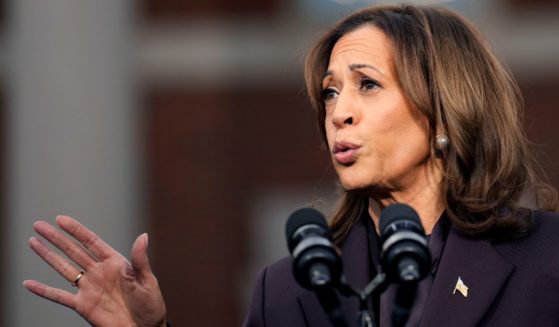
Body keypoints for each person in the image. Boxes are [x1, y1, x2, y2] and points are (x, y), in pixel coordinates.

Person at [24, 4, 559, 327]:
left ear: (443, 109)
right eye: (329, 93)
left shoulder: (545, 261)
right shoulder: (290, 290)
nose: (339, 113)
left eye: (367, 85)